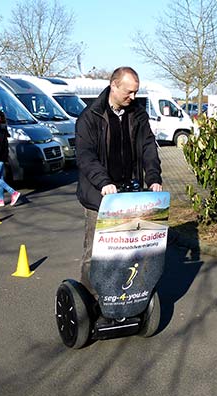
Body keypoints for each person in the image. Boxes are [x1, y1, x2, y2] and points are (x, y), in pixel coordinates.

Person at [75, 66, 163, 293]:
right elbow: (85, 156)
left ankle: (125, 295)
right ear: (114, 85)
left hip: (128, 196)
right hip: (100, 195)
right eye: (129, 92)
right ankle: (91, 300)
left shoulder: (138, 114)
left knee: (128, 250)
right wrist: (104, 182)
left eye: (136, 92)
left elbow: (148, 147)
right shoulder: (90, 116)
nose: (133, 97)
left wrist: (153, 177)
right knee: (96, 253)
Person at [0, 110, 21, 207]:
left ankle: (13, 192)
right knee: (0, 177)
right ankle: (0, 200)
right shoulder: (0, 128)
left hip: (0, 156)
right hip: (2, 155)